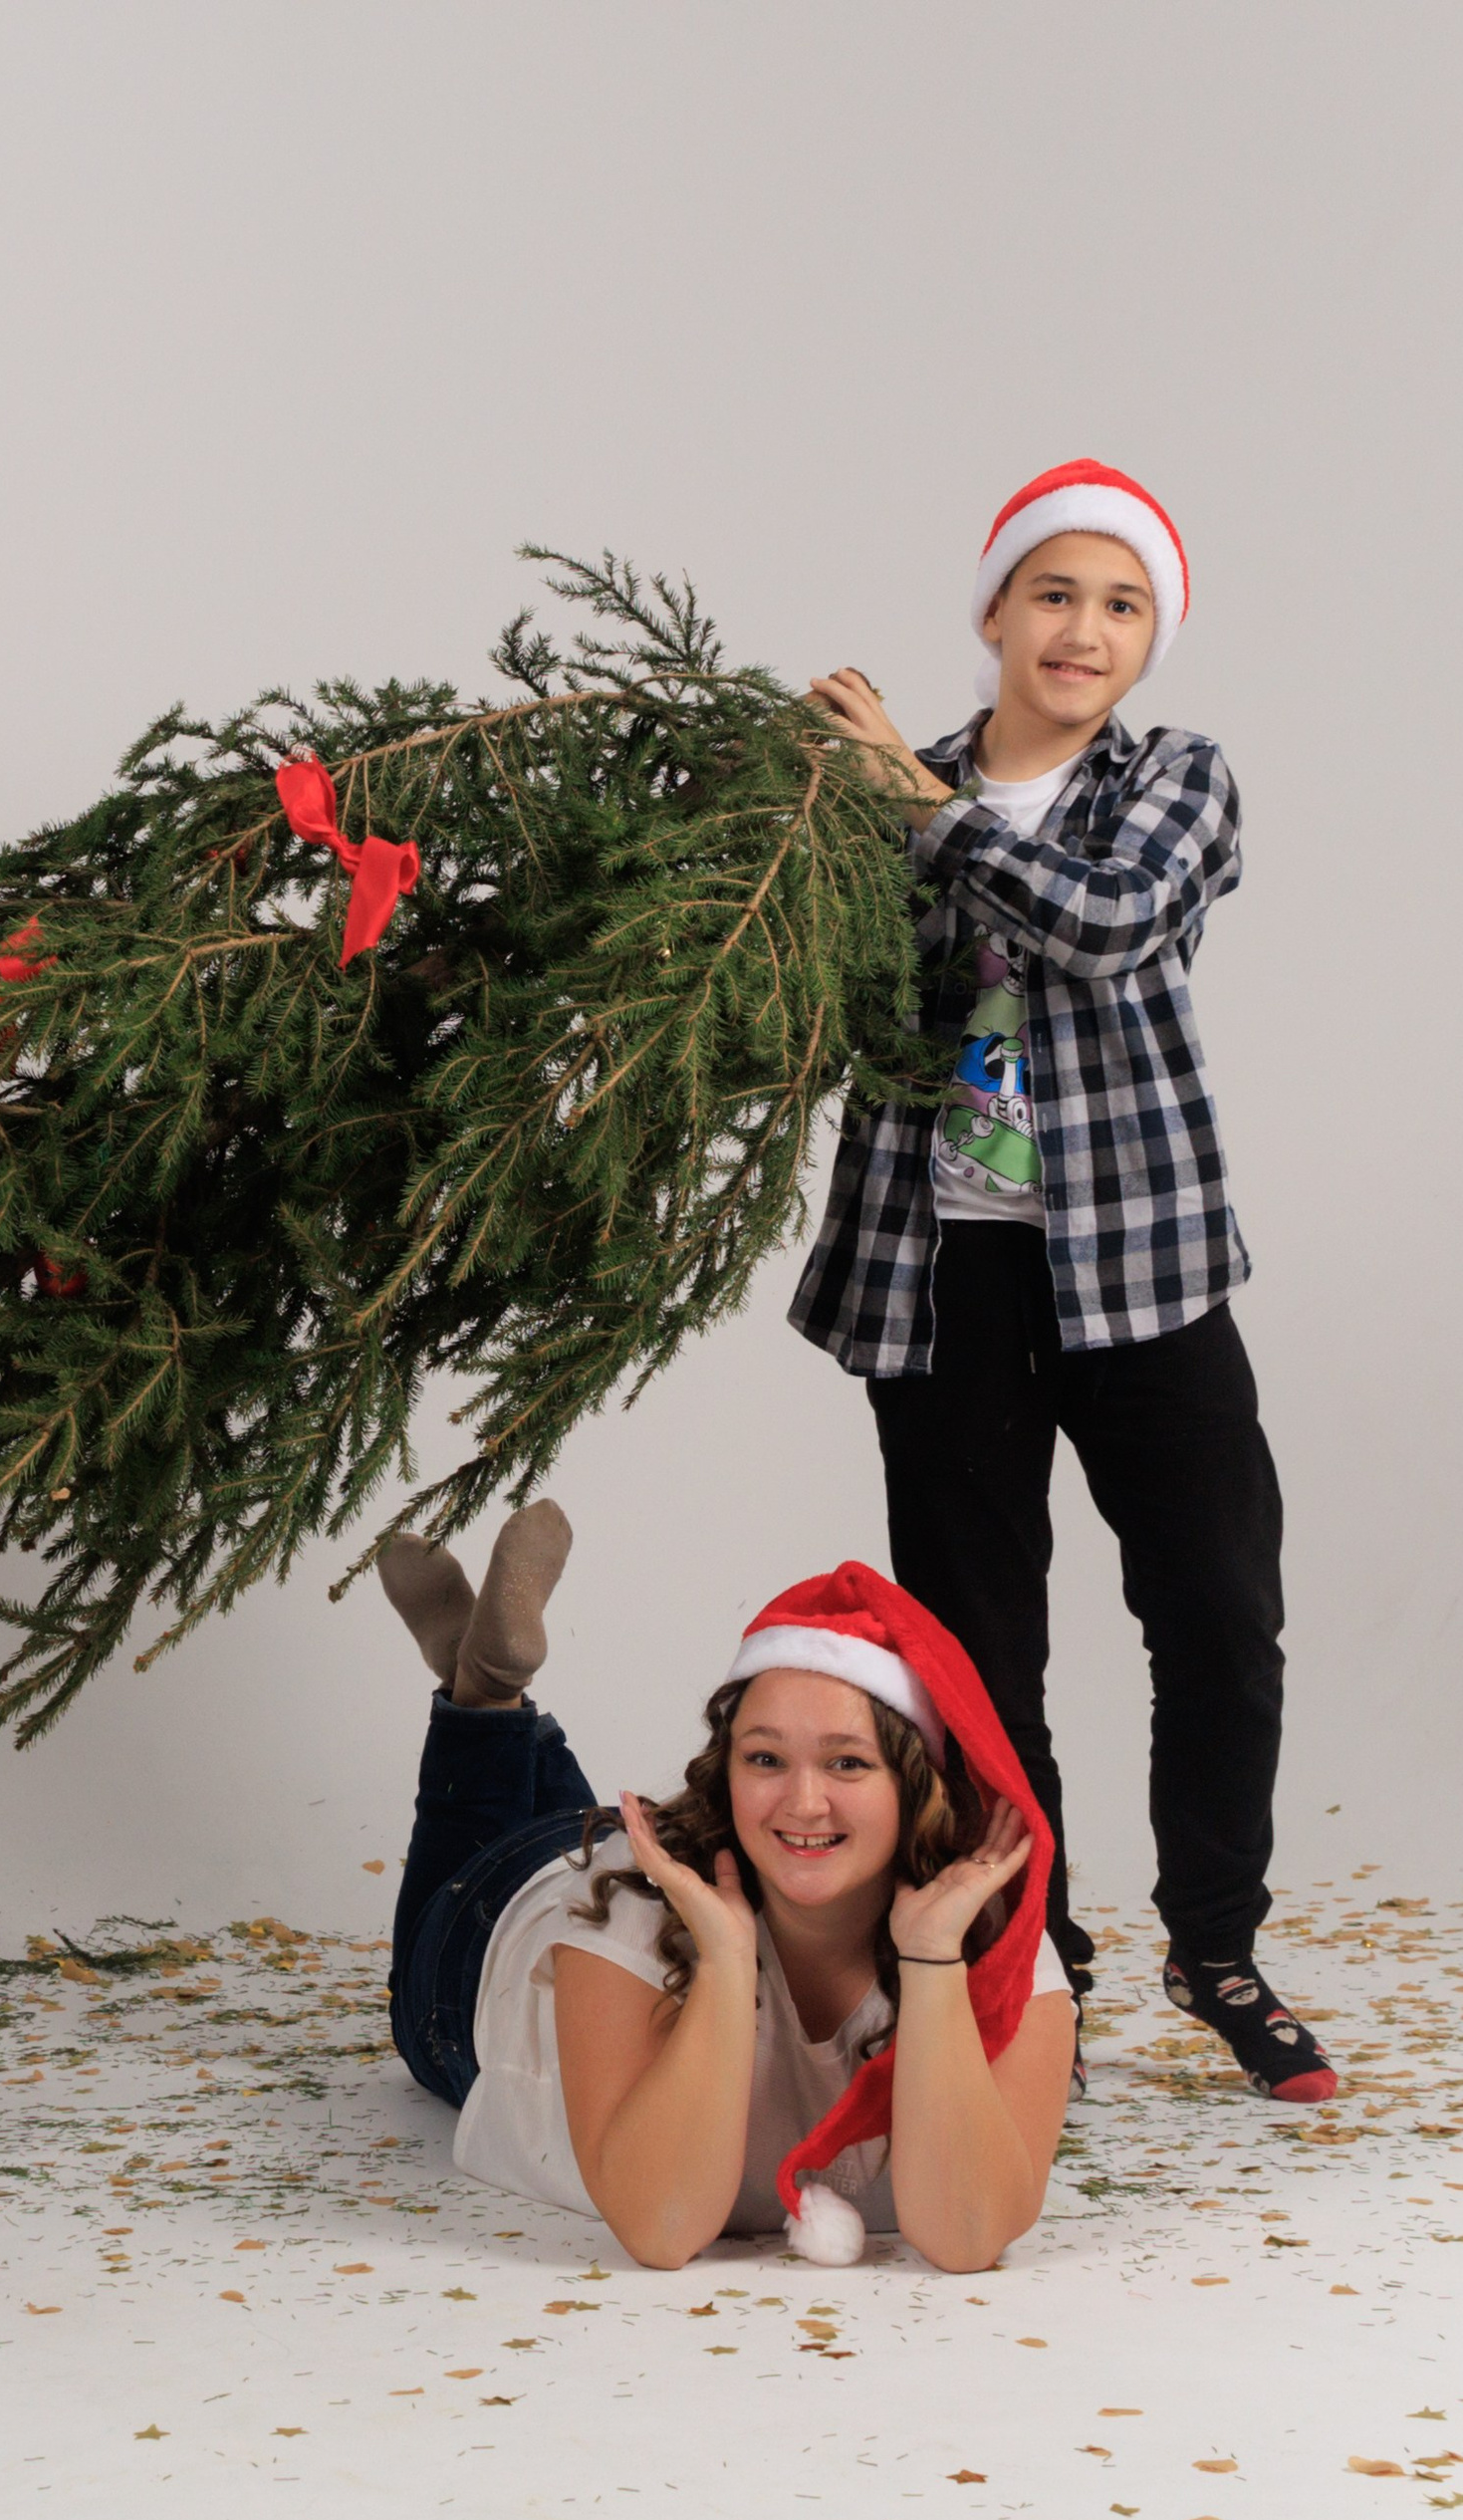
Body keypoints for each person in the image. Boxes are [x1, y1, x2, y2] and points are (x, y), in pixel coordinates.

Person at [789, 460, 1334, 2106]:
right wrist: (863, 798)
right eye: (1053, 592)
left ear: (1149, 638)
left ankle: (1215, 1940)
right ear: (994, 611)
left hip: (1143, 1267)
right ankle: (1035, 1952)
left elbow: (1101, 928)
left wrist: (921, 807)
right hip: (942, 1280)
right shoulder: (885, 784)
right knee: (975, 1645)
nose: (1081, 629)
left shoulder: (1174, 780)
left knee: (1221, 1614)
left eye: (1120, 604)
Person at [375, 1506, 1075, 2270]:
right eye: (765, 1759)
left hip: (652, 1843)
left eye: (847, 1763)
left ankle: (485, 1684)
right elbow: (664, 2229)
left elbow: (968, 2237)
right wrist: (726, 1958)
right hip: (496, 1928)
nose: (803, 1803)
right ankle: (483, 1700)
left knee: (589, 1824)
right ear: (726, 1770)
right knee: (474, 1886)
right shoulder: (628, 1912)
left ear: (917, 1785)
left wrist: (934, 1960)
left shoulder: (988, 1940)